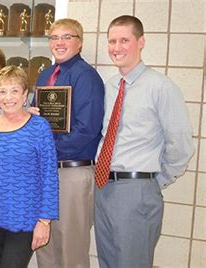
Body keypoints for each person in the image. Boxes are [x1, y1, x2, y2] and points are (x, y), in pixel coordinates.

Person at [95, 15, 194, 267]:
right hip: (104, 188)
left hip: (137, 190)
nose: (116, 48)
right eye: (112, 41)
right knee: (107, 261)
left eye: (124, 40)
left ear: (141, 42)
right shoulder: (110, 86)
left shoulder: (161, 87)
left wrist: (154, 181)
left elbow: (180, 144)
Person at [0, 65, 59, 267]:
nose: (9, 97)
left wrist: (45, 221)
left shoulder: (39, 127)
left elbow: (49, 176)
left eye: (15, 91)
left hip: (24, 218)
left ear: (25, 94)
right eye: (3, 91)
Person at [31, 19, 105, 268]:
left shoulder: (86, 76)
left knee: (71, 251)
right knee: (46, 245)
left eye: (67, 37)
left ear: (80, 42)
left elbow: (88, 129)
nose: (59, 43)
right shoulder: (45, 75)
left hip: (71, 172)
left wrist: (47, 151)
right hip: (45, 172)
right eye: (54, 37)